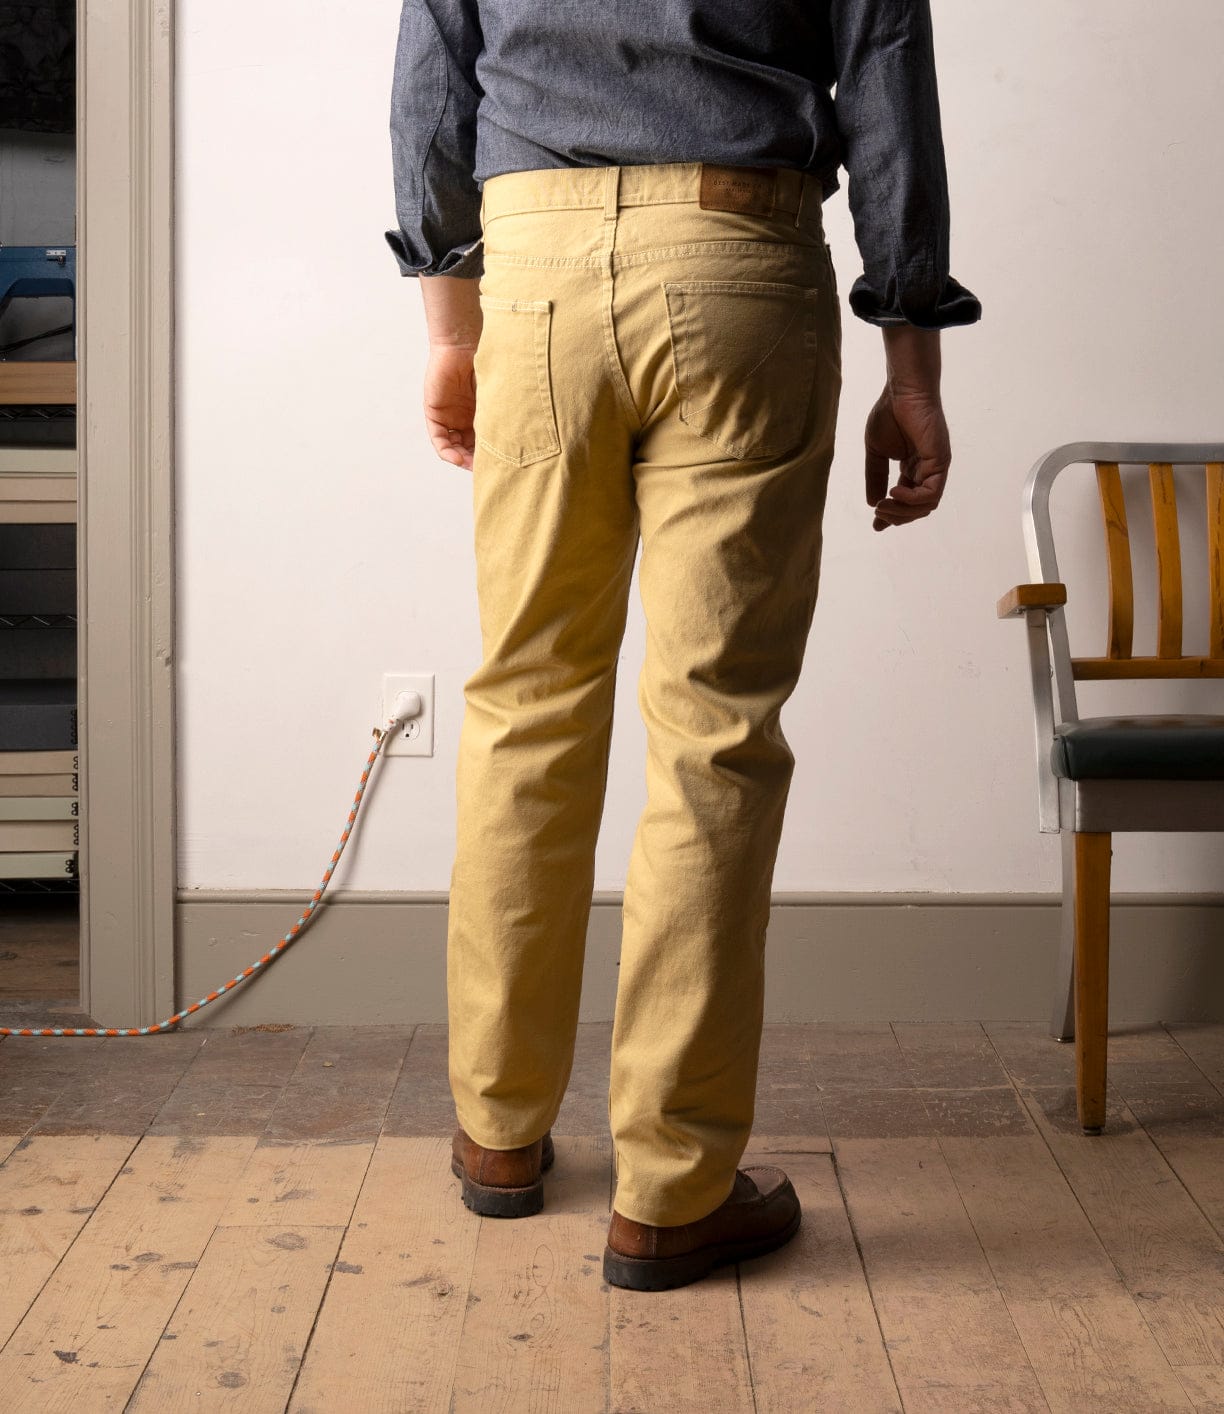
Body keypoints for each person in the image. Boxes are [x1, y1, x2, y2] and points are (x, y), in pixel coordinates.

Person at [386, 0, 980, 1292]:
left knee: (524, 704)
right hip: (742, 256)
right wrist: (912, 354)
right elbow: (887, 80)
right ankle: (669, 1190)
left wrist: (449, 321)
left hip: (531, 268)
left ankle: (498, 1129)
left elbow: (433, 70)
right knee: (713, 732)